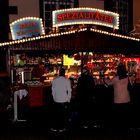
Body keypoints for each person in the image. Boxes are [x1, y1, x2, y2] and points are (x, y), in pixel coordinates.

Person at [103, 64, 131, 129]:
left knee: (118, 115)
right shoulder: (127, 78)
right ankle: (125, 127)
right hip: (126, 99)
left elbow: (108, 83)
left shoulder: (116, 78)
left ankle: (119, 127)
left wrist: (104, 78)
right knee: (125, 115)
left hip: (118, 100)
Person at [51, 68, 72, 132]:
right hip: (64, 100)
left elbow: (53, 91)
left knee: (56, 115)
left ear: (59, 73)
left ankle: (55, 127)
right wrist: (68, 100)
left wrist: (54, 98)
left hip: (57, 99)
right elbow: (69, 91)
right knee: (63, 115)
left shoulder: (54, 80)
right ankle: (62, 128)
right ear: (64, 73)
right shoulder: (67, 80)